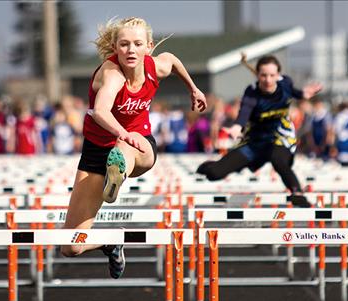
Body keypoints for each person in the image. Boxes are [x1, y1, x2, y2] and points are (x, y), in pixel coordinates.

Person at [60, 17, 206, 279]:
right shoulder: (112, 74)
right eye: (124, 44)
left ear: (148, 47)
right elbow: (100, 111)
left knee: (122, 147)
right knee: (71, 245)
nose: (131, 50)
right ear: (115, 48)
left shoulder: (155, 67)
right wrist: (124, 132)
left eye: (138, 44)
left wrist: (193, 89)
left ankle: (118, 171)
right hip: (96, 151)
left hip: (139, 147)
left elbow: (172, 60)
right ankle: (109, 241)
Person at [196, 55, 322, 207]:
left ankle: (297, 193)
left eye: (272, 75)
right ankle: (207, 167)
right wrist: (236, 127)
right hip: (255, 143)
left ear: (278, 75)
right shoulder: (252, 93)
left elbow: (295, 92)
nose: (268, 80)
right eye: (263, 75)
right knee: (214, 174)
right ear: (257, 75)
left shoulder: (285, 83)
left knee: (279, 159)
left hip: (280, 138)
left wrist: (304, 94)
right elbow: (244, 113)